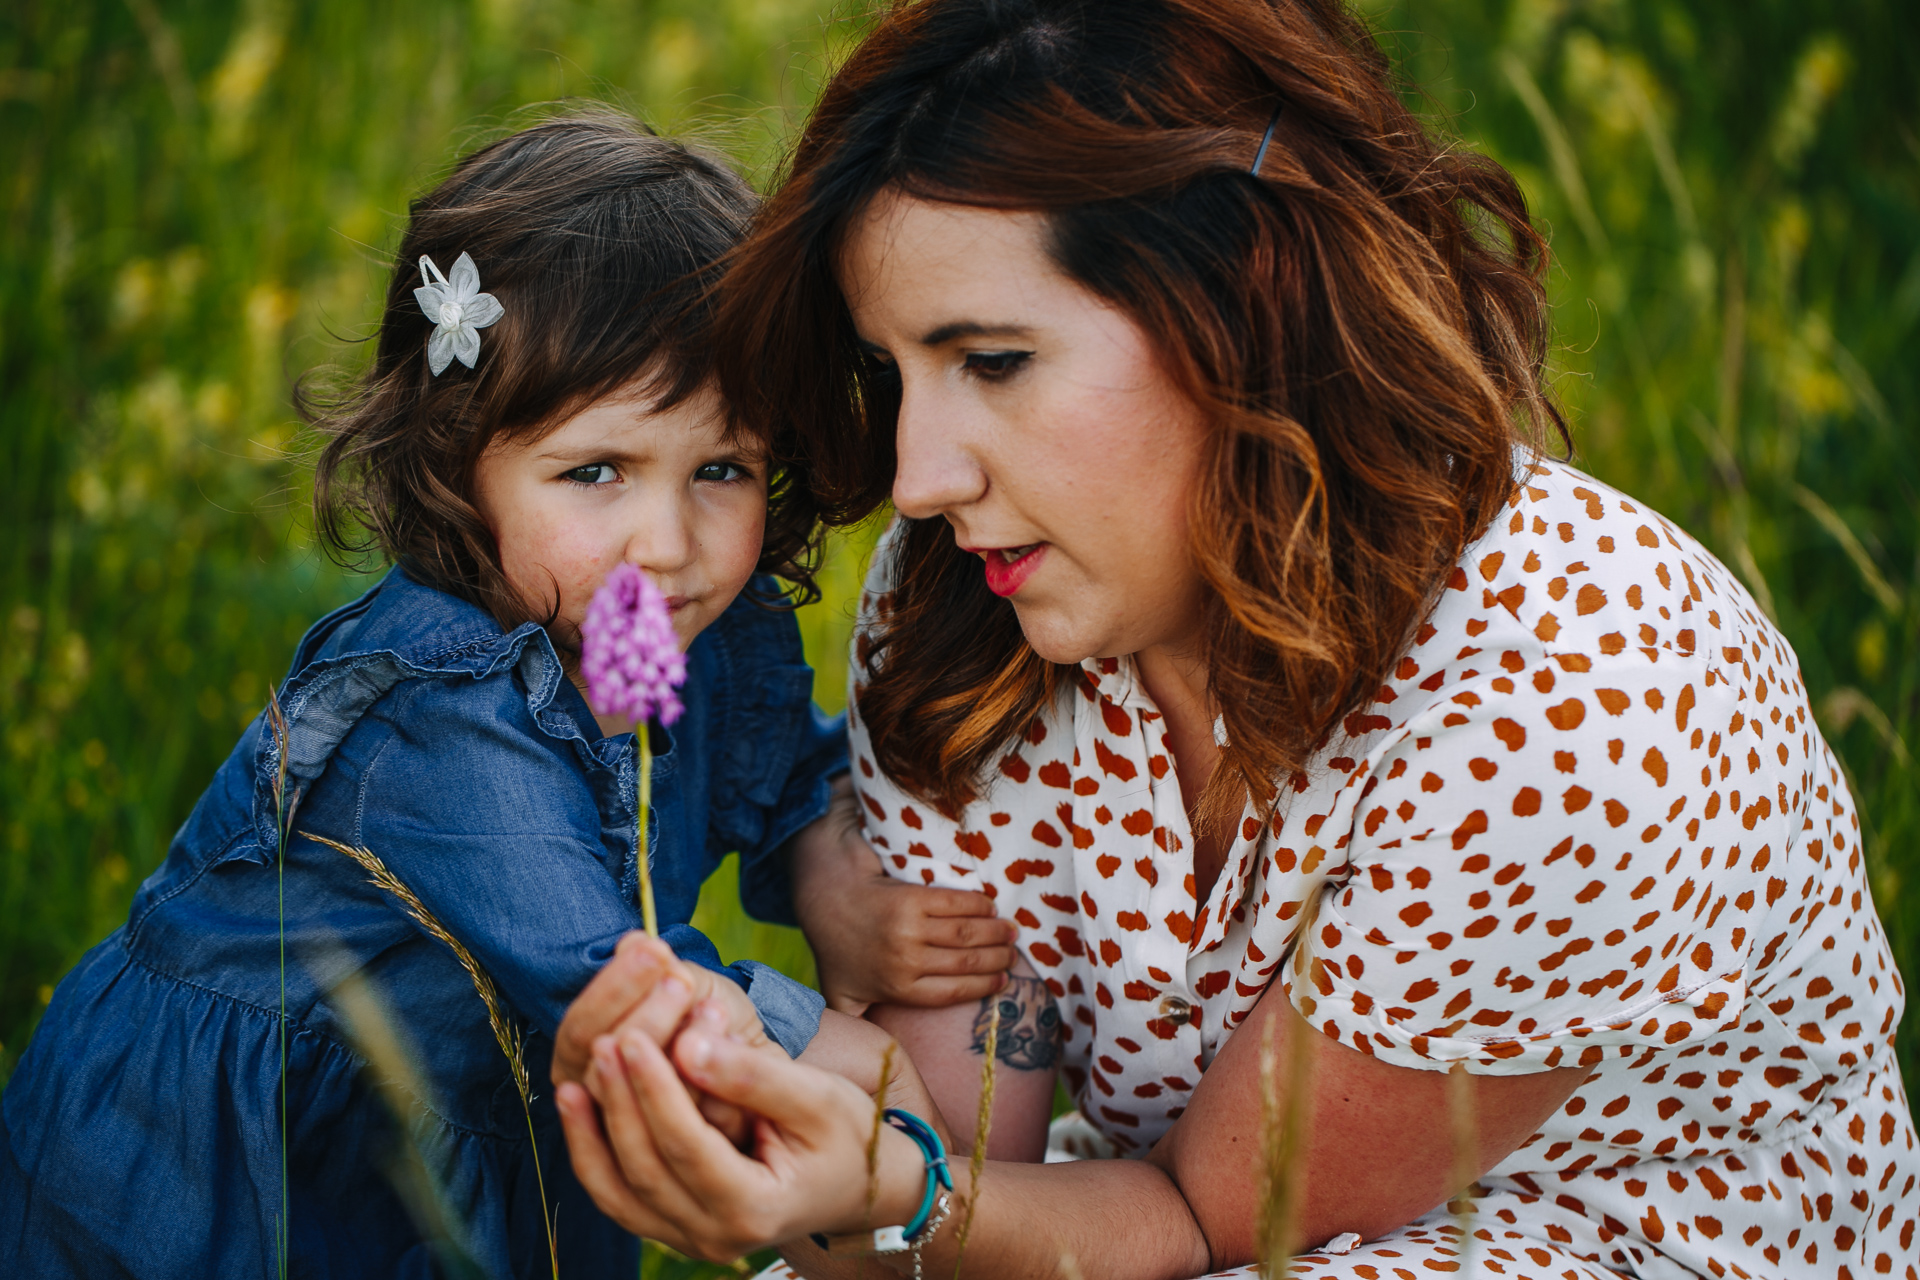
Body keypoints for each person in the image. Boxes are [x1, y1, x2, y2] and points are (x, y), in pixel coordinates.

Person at [549, 4, 1919, 1279]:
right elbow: (964, 1161)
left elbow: (1211, 1223)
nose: (918, 476)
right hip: (1158, 1213)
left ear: (1246, 303)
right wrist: (769, 1109)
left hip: (1595, 1240)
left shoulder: (1570, 700)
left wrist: (886, 1192)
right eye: (898, 370)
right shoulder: (968, 600)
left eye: (996, 362)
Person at [0, 110, 1003, 1279]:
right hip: (214, 1175)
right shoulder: (439, 710)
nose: (668, 543)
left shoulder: (705, 626)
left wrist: (829, 881)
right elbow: (613, 978)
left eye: (721, 468)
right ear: (455, 460)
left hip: (461, 1135)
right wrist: (845, 1063)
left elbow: (780, 781)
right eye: (596, 471)